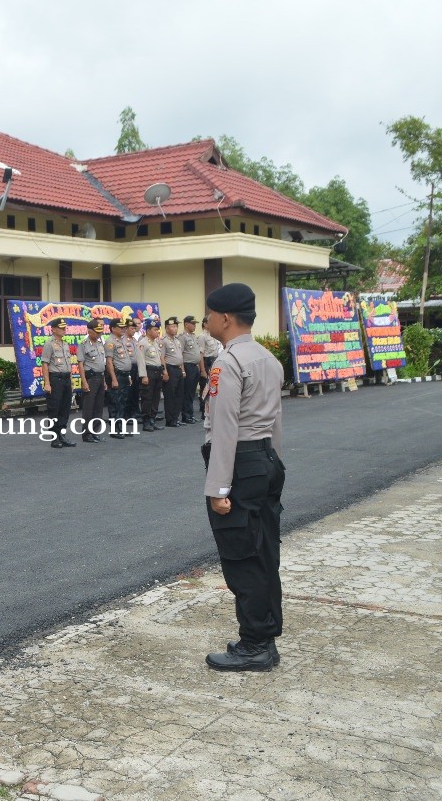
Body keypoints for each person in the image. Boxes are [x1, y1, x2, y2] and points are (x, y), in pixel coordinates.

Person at [201, 282, 285, 672]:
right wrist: (273, 464)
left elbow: (225, 428)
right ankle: (263, 636)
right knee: (264, 551)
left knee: (242, 557)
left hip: (240, 465)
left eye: (208, 314)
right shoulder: (268, 358)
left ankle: (255, 645)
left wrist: (218, 488)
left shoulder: (227, 362)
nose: (206, 321)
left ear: (224, 318)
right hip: (265, 460)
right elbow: (274, 422)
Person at [39, 318, 77, 448]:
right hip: (55, 379)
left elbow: (69, 364)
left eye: (64, 328)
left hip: (66, 379)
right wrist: (47, 383)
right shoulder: (49, 344)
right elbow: (45, 364)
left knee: (65, 409)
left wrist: (71, 381)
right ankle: (55, 438)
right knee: (54, 408)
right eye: (61, 328)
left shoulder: (65, 344)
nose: (64, 330)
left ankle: (62, 435)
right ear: (53, 329)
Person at [78, 318, 110, 443]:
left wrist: (105, 381)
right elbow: (80, 364)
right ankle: (86, 433)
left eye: (100, 331)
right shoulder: (83, 344)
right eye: (96, 332)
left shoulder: (99, 343)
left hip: (100, 377)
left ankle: (95, 432)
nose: (99, 334)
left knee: (98, 407)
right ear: (89, 331)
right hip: (90, 378)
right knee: (88, 407)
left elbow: (102, 363)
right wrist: (84, 381)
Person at [106, 317, 137, 438]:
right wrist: (113, 378)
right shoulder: (110, 342)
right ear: (113, 328)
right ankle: (115, 430)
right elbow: (109, 362)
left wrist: (128, 375)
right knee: (115, 402)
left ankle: (121, 428)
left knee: (123, 402)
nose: (123, 329)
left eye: (124, 327)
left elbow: (126, 360)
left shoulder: (122, 341)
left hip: (124, 375)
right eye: (120, 327)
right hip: (117, 375)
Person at [136, 318, 167, 430]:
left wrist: (163, 371)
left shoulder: (156, 342)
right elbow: (141, 361)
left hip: (157, 371)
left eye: (158, 329)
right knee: (147, 398)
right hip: (148, 372)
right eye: (155, 329)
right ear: (148, 330)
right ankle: (146, 422)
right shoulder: (142, 343)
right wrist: (144, 375)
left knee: (156, 397)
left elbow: (160, 358)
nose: (157, 331)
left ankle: (153, 420)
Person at [160, 317, 186, 427]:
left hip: (178, 369)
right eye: (172, 326)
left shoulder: (177, 340)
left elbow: (180, 356)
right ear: (166, 328)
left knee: (179, 394)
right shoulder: (163, 341)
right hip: (170, 369)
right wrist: (164, 371)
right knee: (170, 395)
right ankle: (170, 420)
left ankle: (176, 417)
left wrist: (183, 370)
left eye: (176, 326)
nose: (175, 329)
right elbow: (161, 357)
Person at [199, 315, 224, 418]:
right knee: (205, 386)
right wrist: (203, 370)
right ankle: (203, 410)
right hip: (206, 361)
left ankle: (211, 408)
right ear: (205, 324)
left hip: (214, 360)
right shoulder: (202, 336)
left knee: (213, 384)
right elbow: (201, 354)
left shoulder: (212, 335)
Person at [179, 315, 202, 424]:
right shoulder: (182, 337)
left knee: (192, 393)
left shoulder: (193, 336)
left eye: (195, 324)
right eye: (193, 324)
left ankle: (190, 414)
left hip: (194, 366)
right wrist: (183, 370)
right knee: (187, 392)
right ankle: (186, 415)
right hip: (188, 367)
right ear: (186, 324)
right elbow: (180, 354)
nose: (194, 326)